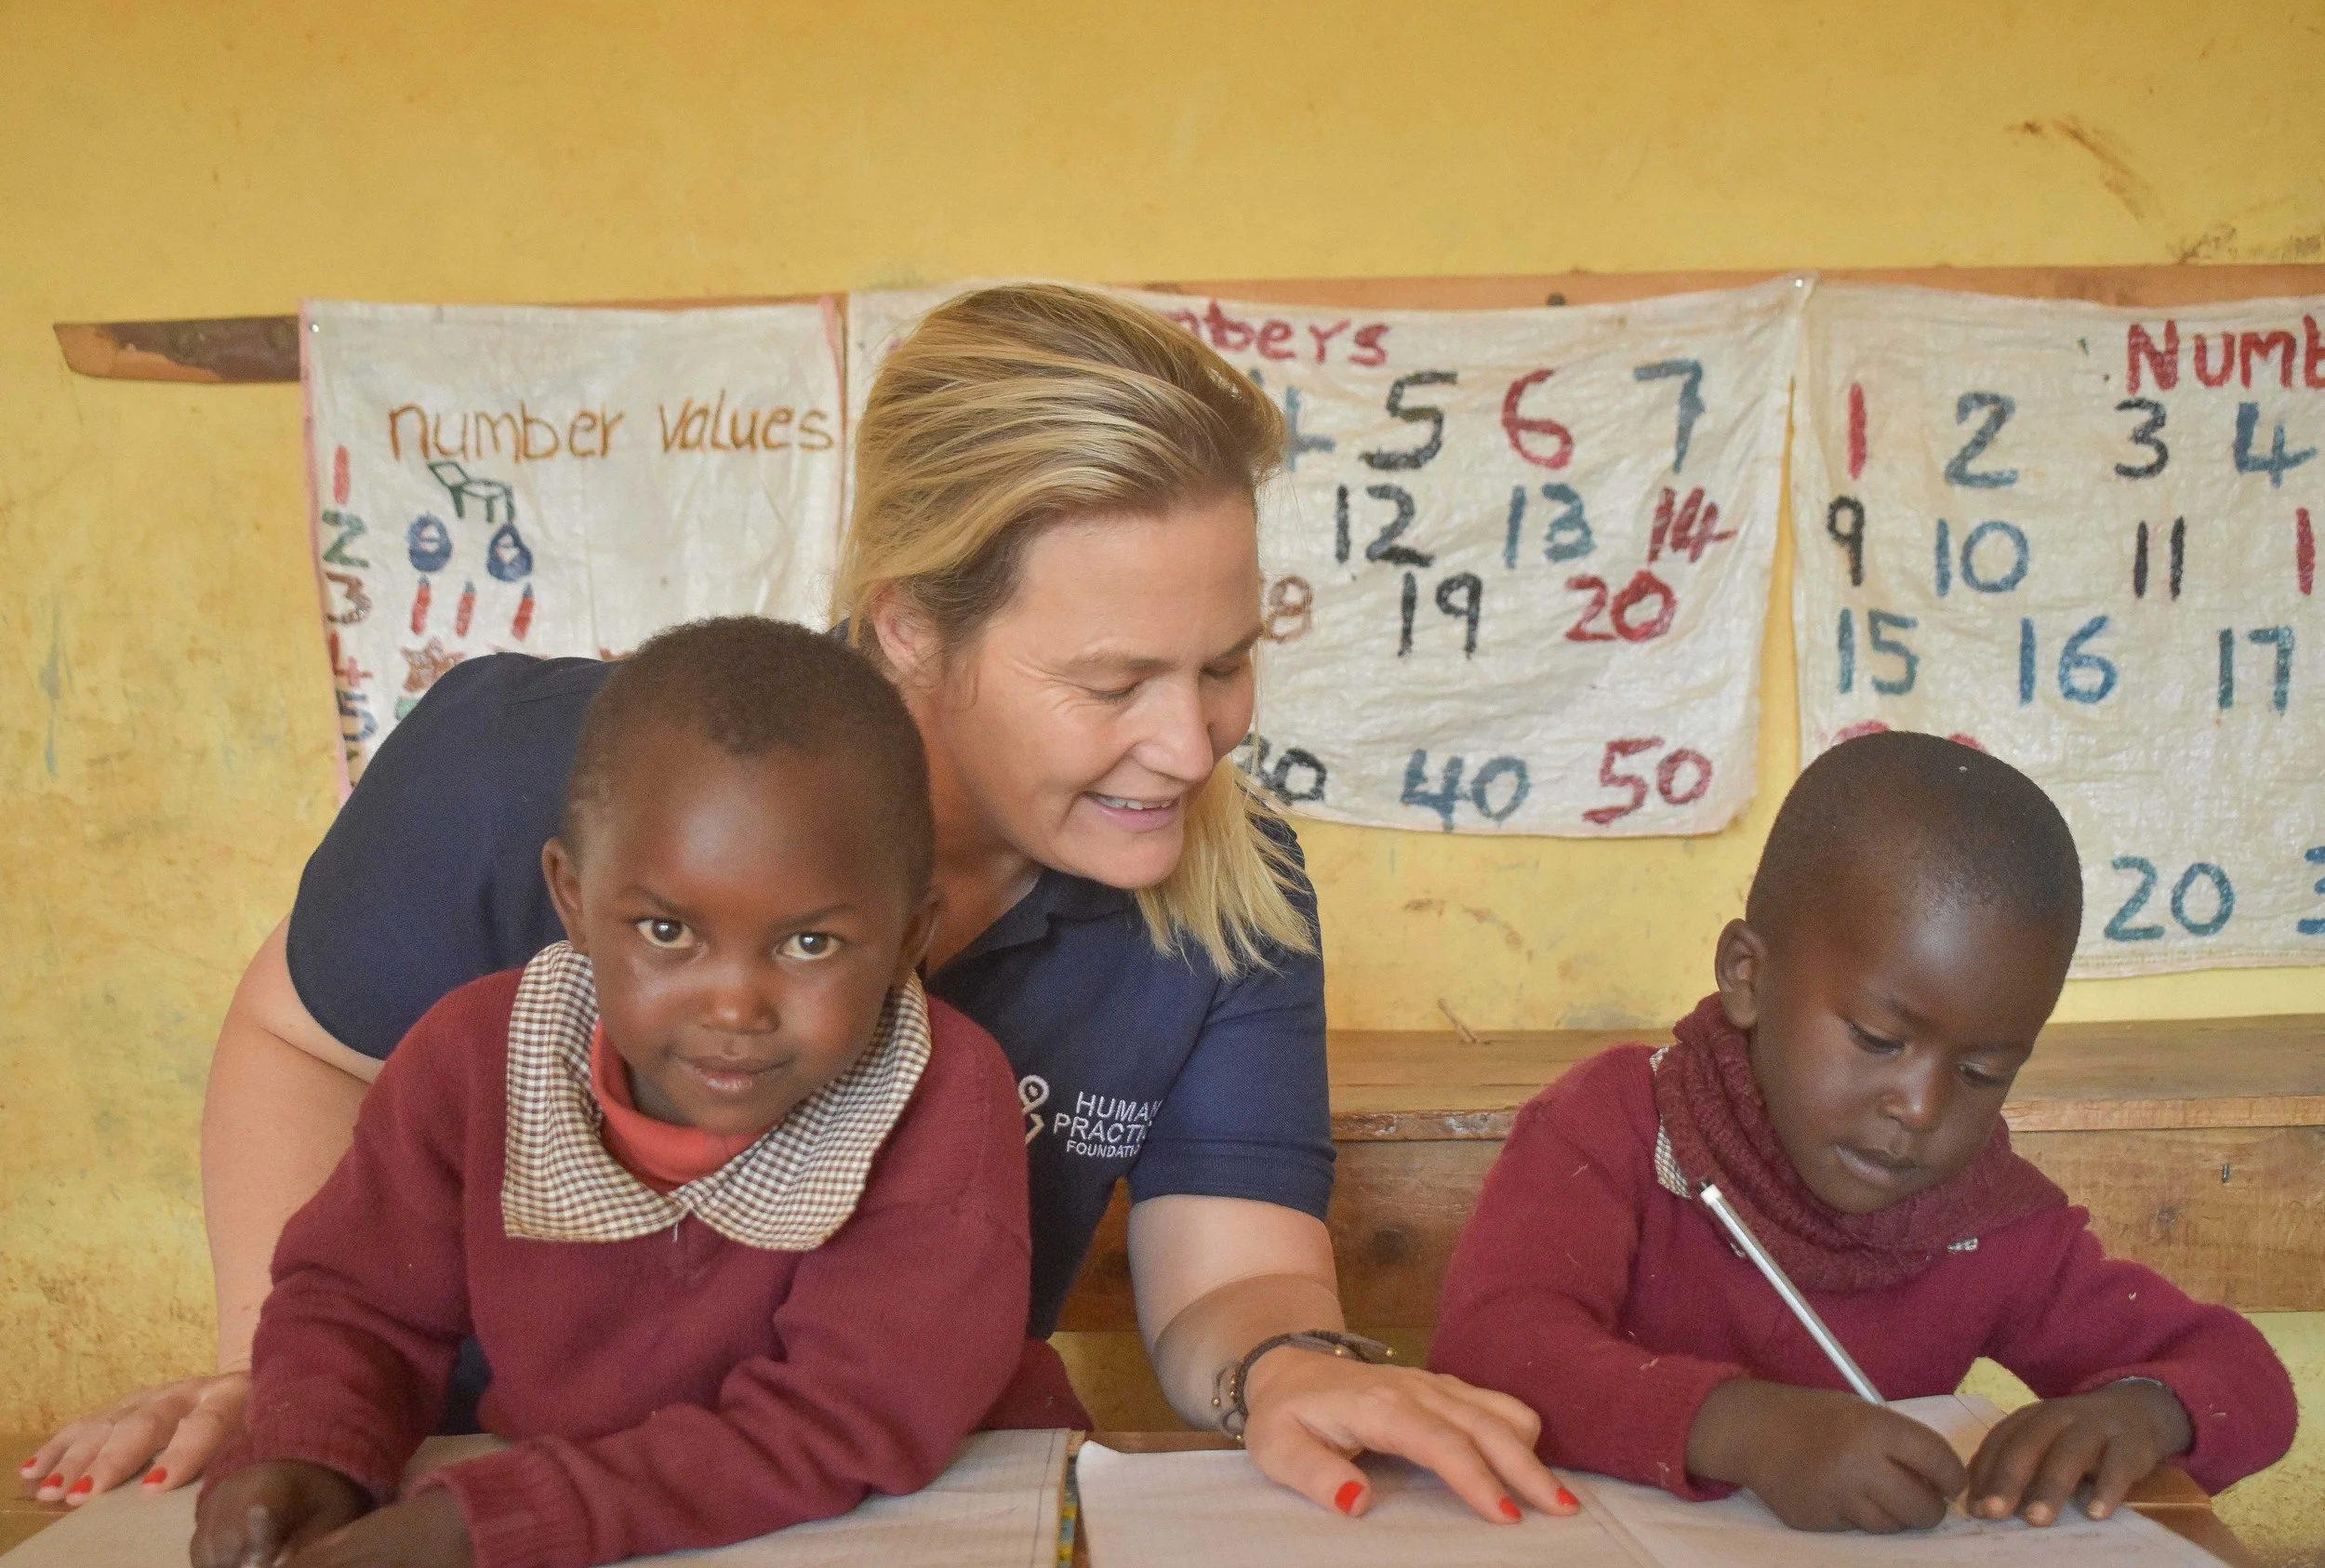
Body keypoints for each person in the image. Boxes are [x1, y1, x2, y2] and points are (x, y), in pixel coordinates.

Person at [27, 284, 1568, 1527]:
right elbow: (307, 1044)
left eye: (1225, 662)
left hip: (872, 1502)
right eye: (1115, 683)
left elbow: (1231, 1276)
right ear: (911, 627)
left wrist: (1287, 1365)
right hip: (466, 1492)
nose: (1194, 741)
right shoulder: (529, 769)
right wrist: (287, 1389)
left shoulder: (1231, 891)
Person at [191, 618, 1032, 1568]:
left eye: (811, 943)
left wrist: (488, 1523)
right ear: (574, 898)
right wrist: (306, 1453)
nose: (734, 1006)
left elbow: (843, 1417)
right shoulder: (476, 1060)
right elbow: (358, 1304)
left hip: (921, 1525)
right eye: (667, 930)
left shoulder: (938, 1098)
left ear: (911, 935)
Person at [1428, 731, 2297, 1534]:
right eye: (1879, 1039)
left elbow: (2243, 1376)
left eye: (1982, 1072)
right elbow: (1490, 1350)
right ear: (1747, 976)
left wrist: (2142, 1411)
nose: (1921, 1107)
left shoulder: (1985, 1221)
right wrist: (1744, 1430)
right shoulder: (1623, 1124)